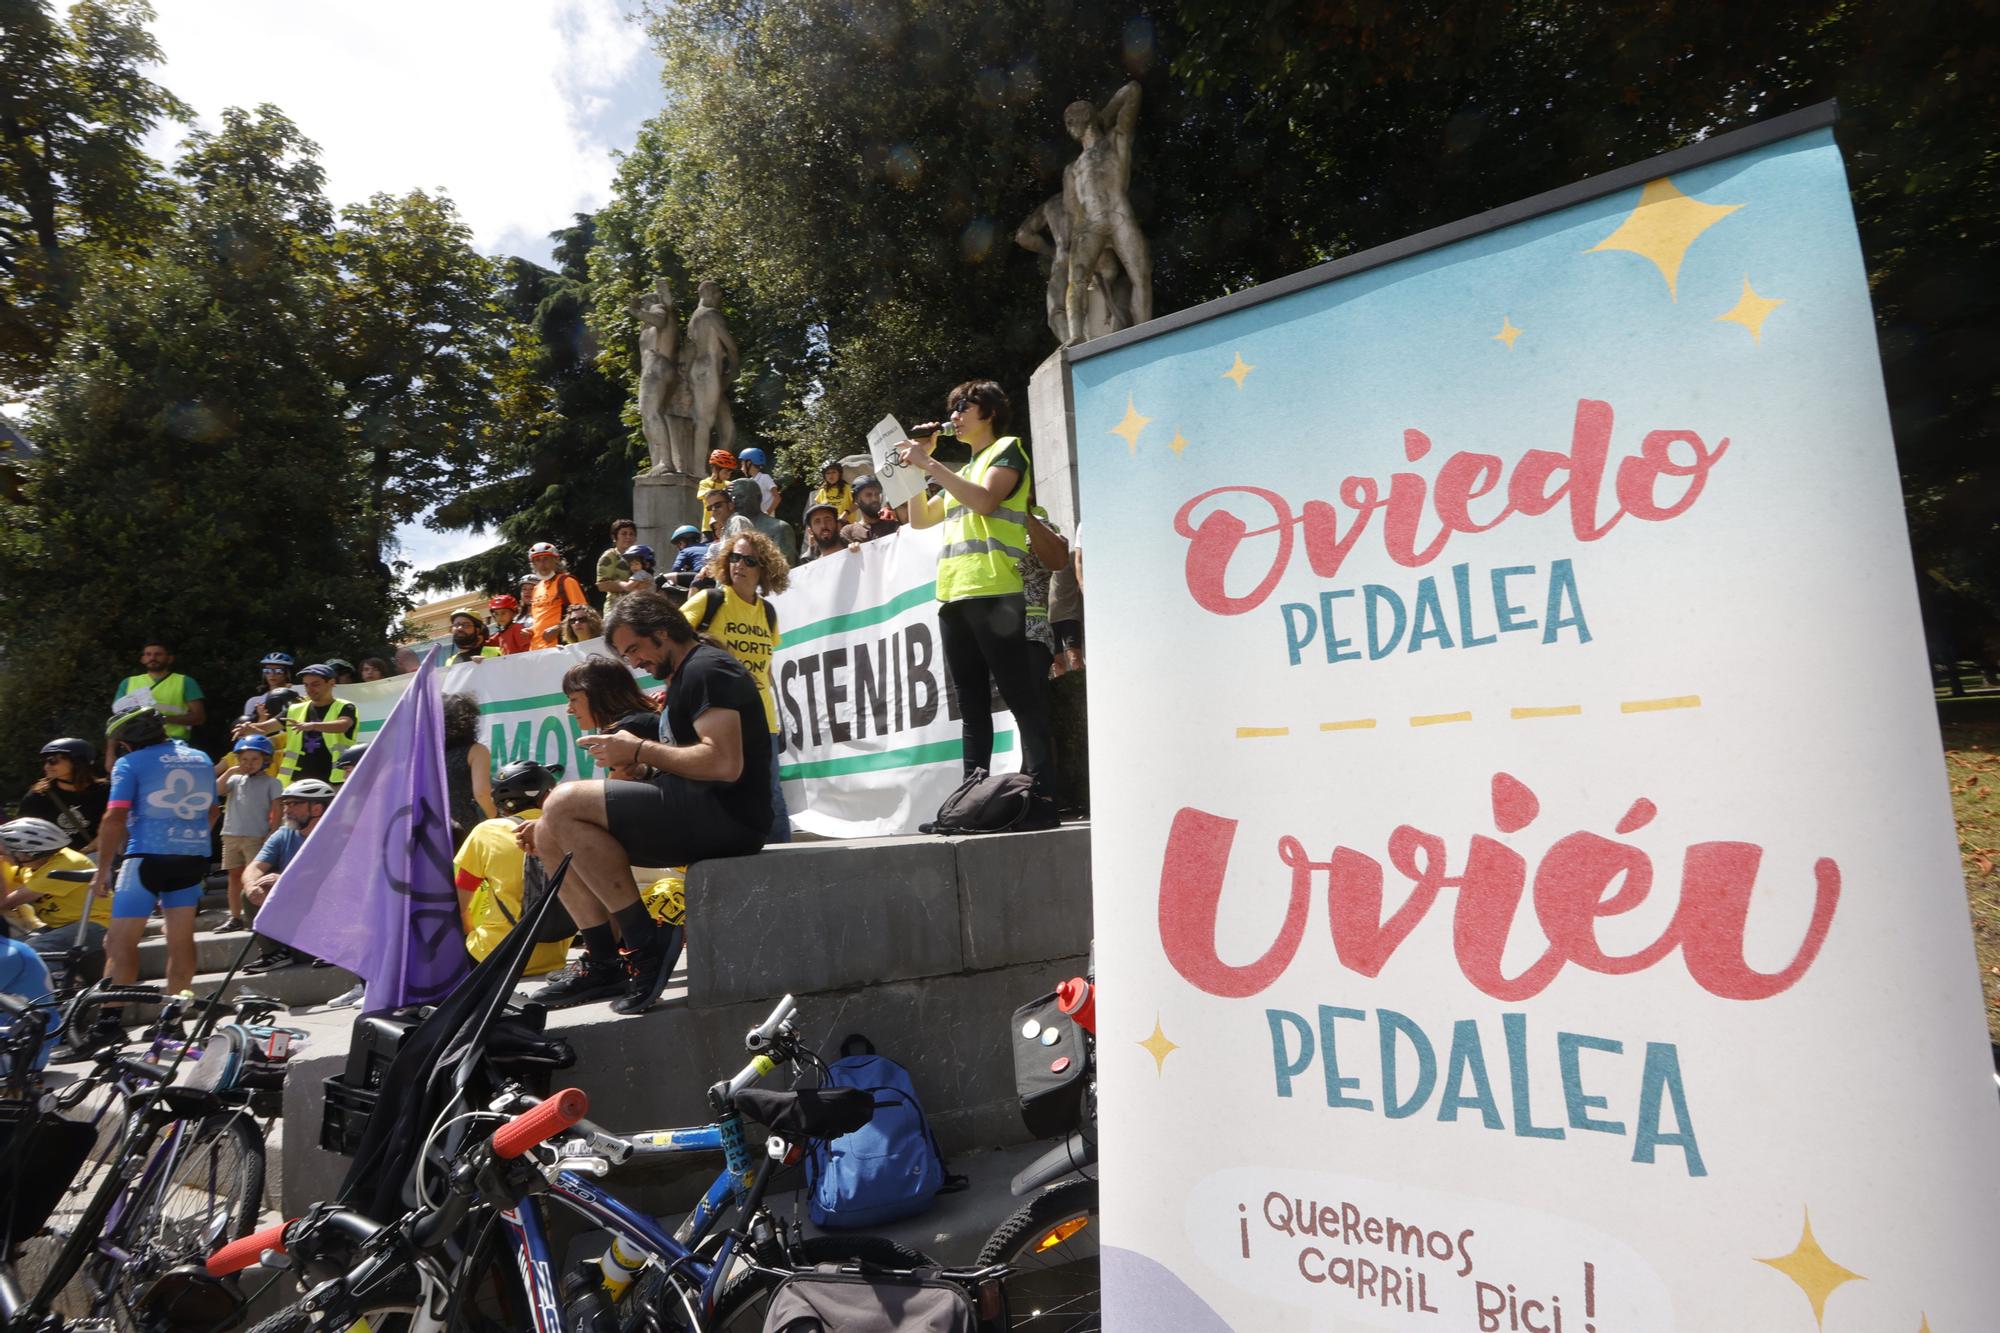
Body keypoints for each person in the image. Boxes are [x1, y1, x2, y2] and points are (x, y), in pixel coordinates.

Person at [523, 592, 769, 1015]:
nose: (633, 662)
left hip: (729, 819)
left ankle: (643, 944)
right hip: (697, 810)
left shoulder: (709, 669)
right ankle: (603, 961)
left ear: (662, 632)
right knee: (548, 829)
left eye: (634, 648)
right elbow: (688, 761)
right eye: (624, 654)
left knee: (563, 802)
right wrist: (645, 771)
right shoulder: (685, 677)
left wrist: (638, 751)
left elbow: (725, 763)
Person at [897, 380, 1057, 807]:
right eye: (952, 408)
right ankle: (970, 797)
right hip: (954, 596)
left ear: (988, 410)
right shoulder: (961, 471)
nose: (954, 416)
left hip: (995, 591)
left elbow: (986, 502)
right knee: (971, 706)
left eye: (962, 407)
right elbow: (919, 520)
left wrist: (930, 465)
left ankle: (1041, 792)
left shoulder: (1007, 448)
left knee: (1020, 698)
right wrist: (916, 468)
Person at [682, 530, 792, 844]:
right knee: (723, 791)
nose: (738, 565)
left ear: (764, 570)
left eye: (749, 560)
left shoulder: (768, 613)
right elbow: (672, 640)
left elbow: (767, 669)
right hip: (718, 716)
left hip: (762, 719)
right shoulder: (711, 600)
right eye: (734, 557)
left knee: (771, 794)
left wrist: (780, 720)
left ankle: (786, 866)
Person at [94, 707, 212, 996]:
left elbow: (115, 818)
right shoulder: (201, 758)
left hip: (146, 856)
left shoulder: (129, 763)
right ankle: (173, 1020)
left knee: (119, 942)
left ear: (126, 741)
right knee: (181, 939)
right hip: (192, 857)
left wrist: (102, 869)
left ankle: (109, 1023)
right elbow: (212, 810)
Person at [454, 761, 573, 976]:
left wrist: (469, 937)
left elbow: (460, 905)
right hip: (553, 959)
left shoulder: (485, 832)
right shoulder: (567, 828)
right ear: (546, 797)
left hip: (494, 957)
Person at [0, 817, 109, 986]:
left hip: (97, 924)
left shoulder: (66, 864)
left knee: (37, 947)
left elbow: (6, 903)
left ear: (26, 854)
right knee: (11, 949)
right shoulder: (33, 865)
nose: (3, 858)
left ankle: (60, 991)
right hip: (62, 926)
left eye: (4, 854)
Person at [242, 778, 336, 972]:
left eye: (294, 804)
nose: (286, 809)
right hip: (295, 910)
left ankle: (334, 947)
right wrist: (252, 886)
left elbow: (333, 879)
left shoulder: (338, 834)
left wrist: (285, 880)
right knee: (251, 891)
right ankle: (275, 953)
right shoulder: (283, 834)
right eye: (286, 804)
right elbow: (255, 867)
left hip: (328, 910)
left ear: (317, 808)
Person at [214, 735, 280, 931]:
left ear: (265, 760)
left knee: (255, 877)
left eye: (254, 760)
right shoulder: (235, 780)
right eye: (243, 760)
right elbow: (217, 789)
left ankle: (258, 916)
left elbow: (278, 809)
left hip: (256, 835)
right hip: (231, 835)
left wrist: (273, 831)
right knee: (234, 876)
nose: (248, 764)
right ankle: (235, 917)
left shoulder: (272, 783)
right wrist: (231, 770)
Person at [18, 738, 109, 854]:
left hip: (99, 855)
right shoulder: (38, 796)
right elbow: (23, 834)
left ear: (77, 761)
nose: (46, 766)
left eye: (52, 761)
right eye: (46, 761)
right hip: (55, 861)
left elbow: (118, 825)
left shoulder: (105, 791)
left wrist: (87, 851)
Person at [273, 664, 358, 786]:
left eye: (315, 684)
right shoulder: (294, 709)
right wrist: (250, 728)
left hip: (334, 783)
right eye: (306, 685)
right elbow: (266, 727)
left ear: (332, 683)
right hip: (296, 783)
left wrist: (313, 726)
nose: (309, 689)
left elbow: (343, 725)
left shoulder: (346, 707)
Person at [112, 641, 205, 743]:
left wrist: (161, 720)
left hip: (173, 743)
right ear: (142, 659)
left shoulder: (185, 682)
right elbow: (118, 720)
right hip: (135, 743)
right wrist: (110, 753)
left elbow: (199, 717)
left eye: (158, 654)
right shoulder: (128, 683)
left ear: (170, 659)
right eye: (148, 654)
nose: (152, 658)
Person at [442, 692, 496, 849]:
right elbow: (481, 793)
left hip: (435, 829)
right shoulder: (477, 751)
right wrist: (495, 816)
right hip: (468, 830)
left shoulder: (429, 754)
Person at [526, 542, 590, 649]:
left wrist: (558, 628)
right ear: (533, 564)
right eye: (537, 560)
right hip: (536, 649)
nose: (542, 564)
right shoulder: (536, 589)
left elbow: (583, 615)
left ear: (556, 560)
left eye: (546, 558)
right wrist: (531, 630)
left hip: (562, 647)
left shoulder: (567, 581)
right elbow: (541, 620)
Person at [723, 476, 798, 565]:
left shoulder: (779, 528)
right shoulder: (729, 528)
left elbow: (783, 568)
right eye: (732, 498)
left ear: (758, 498)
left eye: (740, 496)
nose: (735, 501)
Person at [596, 518, 647, 616]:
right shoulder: (610, 556)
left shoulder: (641, 556)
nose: (628, 537)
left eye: (631, 534)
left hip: (638, 607)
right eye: (624, 533)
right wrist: (627, 586)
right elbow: (602, 585)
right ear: (615, 537)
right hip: (615, 609)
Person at [839, 474, 901, 546]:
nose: (874, 499)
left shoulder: (893, 526)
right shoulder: (848, 532)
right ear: (856, 499)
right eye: (868, 495)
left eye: (877, 494)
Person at [241, 652, 295, 727]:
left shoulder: (300, 693)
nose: (272, 674)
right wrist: (262, 718)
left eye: (278, 671)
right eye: (267, 671)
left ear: (287, 673)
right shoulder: (254, 702)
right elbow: (248, 733)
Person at [737, 447, 778, 514]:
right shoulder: (749, 482)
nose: (741, 468)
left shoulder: (765, 478)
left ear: (749, 463)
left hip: (767, 520)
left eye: (742, 464)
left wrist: (768, 513)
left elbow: (777, 498)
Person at [813, 458, 856, 524]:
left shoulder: (847, 488)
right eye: (828, 473)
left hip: (847, 527)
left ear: (839, 474)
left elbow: (857, 503)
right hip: (830, 529)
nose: (831, 475)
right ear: (824, 476)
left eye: (834, 472)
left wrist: (846, 513)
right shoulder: (822, 491)